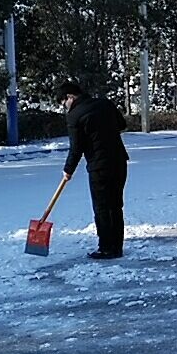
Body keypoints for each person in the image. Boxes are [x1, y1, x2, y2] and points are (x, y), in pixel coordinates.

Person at [59, 81, 129, 260]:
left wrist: (68, 170)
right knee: (116, 205)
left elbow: (76, 147)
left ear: (70, 97)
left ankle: (106, 248)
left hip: (99, 167)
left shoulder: (74, 116)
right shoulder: (105, 103)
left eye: (63, 102)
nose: (64, 106)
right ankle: (117, 247)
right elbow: (122, 124)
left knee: (102, 207)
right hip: (119, 161)